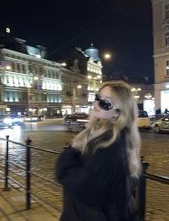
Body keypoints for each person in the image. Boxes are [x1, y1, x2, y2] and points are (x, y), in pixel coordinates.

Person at [56, 80, 141, 221]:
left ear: (117, 114)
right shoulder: (100, 135)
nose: (96, 104)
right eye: (97, 98)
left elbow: (85, 188)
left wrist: (68, 158)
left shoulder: (110, 145)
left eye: (105, 103)